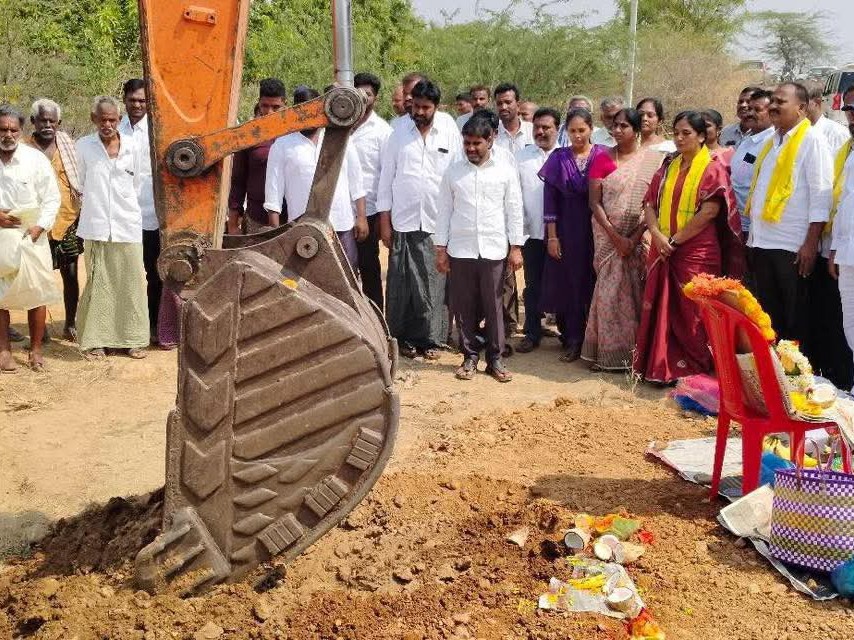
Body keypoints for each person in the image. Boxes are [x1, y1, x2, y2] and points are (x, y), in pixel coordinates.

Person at [634, 111, 743, 384]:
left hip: (696, 251)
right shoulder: (669, 165)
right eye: (677, 133)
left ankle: (697, 366)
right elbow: (649, 204)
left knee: (693, 310)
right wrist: (657, 235)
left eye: (687, 133)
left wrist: (675, 240)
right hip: (663, 246)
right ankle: (662, 367)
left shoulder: (712, 167)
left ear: (701, 136)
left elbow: (709, 212)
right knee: (663, 306)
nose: (680, 138)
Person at [435, 116, 524, 383]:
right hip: (461, 250)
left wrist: (516, 246)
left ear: (491, 140)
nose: (471, 148)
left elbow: (514, 209)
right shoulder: (453, 172)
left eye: (477, 143)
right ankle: (470, 356)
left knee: (495, 305)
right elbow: (444, 212)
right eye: (467, 143)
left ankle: (495, 359)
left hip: (494, 248)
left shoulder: (505, 170)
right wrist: (441, 249)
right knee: (464, 306)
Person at [377, 79, 461, 359]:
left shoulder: (448, 128)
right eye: (416, 106)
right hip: (404, 219)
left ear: (436, 107)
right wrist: (385, 221)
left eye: (426, 107)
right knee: (403, 284)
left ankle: (433, 339)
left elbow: (456, 174)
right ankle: (403, 339)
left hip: (437, 221)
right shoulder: (397, 131)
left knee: (434, 283)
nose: (420, 112)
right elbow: (386, 178)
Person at [746, 82, 833, 352]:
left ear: (802, 108)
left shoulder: (812, 140)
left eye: (780, 101)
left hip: (792, 246)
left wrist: (810, 243)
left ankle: (797, 382)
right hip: (762, 241)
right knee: (770, 316)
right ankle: (774, 379)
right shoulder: (772, 141)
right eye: (772, 100)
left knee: (796, 319)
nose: (773, 105)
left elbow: (821, 195)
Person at [582, 108, 664, 370]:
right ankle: (606, 354)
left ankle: (634, 356)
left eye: (624, 126)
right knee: (608, 295)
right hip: (607, 237)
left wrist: (634, 236)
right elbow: (595, 203)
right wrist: (616, 237)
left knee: (635, 295)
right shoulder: (602, 159)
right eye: (615, 126)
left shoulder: (652, 161)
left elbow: (651, 205)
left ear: (637, 130)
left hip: (638, 236)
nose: (617, 131)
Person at [75, 96, 149, 360]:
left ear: (120, 120)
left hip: (127, 224)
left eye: (112, 119)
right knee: (99, 283)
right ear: (94, 119)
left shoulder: (133, 146)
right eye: (102, 119)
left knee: (131, 282)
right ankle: (96, 341)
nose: (107, 124)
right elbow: (81, 183)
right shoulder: (83, 146)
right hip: (96, 225)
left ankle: (133, 340)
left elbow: (138, 182)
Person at [264, 86, 367, 270]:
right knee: (309, 281)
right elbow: (273, 192)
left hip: (341, 224)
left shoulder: (341, 139)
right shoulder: (282, 145)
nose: (308, 117)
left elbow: (356, 181)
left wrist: (361, 217)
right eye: (303, 111)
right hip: (302, 227)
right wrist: (275, 230)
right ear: (296, 111)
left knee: (347, 274)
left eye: (313, 111)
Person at [539, 107, 605, 362]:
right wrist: (552, 237)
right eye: (573, 131)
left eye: (582, 130)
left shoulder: (602, 156)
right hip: (567, 230)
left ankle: (596, 341)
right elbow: (550, 201)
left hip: (597, 228)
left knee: (595, 283)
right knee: (570, 285)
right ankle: (572, 339)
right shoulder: (558, 157)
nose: (578, 136)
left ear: (591, 129)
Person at [0, 105, 60, 372]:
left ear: (21, 131)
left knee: (37, 293)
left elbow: (51, 199)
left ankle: (35, 350)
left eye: (13, 129)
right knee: (0, 297)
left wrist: (39, 227)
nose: (8, 134)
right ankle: (3, 352)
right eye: (2, 129)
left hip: (32, 235)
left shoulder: (35, 160)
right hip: (1, 236)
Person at [27, 99, 82, 342]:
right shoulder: (23, 149)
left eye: (52, 120)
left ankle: (70, 322)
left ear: (59, 123)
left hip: (67, 220)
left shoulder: (69, 147)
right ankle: (41, 329)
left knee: (70, 275)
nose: (47, 124)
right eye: (42, 120)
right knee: (38, 276)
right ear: (33, 122)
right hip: (36, 222)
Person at [515, 107, 561, 353]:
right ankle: (532, 332)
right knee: (533, 285)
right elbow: (515, 197)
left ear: (557, 129)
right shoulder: (521, 158)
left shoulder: (565, 157)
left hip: (561, 235)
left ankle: (567, 333)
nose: (541, 132)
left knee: (562, 283)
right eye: (537, 127)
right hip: (531, 233)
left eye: (547, 127)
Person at [118, 79, 160, 343]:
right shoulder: (115, 128)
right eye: (133, 100)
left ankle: (154, 325)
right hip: (122, 215)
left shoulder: (158, 129)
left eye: (143, 100)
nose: (137, 105)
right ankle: (126, 328)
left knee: (154, 274)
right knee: (126, 275)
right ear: (125, 100)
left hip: (152, 214)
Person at [351, 72, 393, 310]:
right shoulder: (338, 124)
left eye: (368, 94)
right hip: (339, 212)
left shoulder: (382, 131)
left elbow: (386, 177)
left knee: (369, 268)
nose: (363, 98)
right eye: (358, 92)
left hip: (369, 212)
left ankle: (376, 320)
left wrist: (380, 218)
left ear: (375, 98)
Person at [228, 78, 287, 234]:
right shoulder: (248, 135)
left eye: (276, 107)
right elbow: (238, 181)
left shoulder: (295, 134)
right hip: (256, 219)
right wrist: (233, 225)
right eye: (265, 106)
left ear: (285, 104)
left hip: (291, 220)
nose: (269, 112)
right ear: (259, 103)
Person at [829, 87, 854, 390]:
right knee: (850, 326)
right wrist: (835, 247)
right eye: (848, 109)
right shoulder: (849, 152)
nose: (850, 116)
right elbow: (843, 202)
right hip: (847, 253)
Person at [731, 89, 775, 240]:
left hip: (752, 227)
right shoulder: (748, 139)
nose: (750, 113)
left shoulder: (771, 143)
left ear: (772, 113)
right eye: (750, 109)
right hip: (735, 221)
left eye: (757, 110)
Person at [494, 83, 534, 155]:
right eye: (499, 103)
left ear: (518, 105)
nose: (503, 107)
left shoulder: (532, 131)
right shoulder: (492, 133)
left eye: (508, 102)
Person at [807, 85, 849, 153]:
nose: (800, 108)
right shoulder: (804, 130)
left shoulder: (837, 133)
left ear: (816, 103)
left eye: (804, 103)